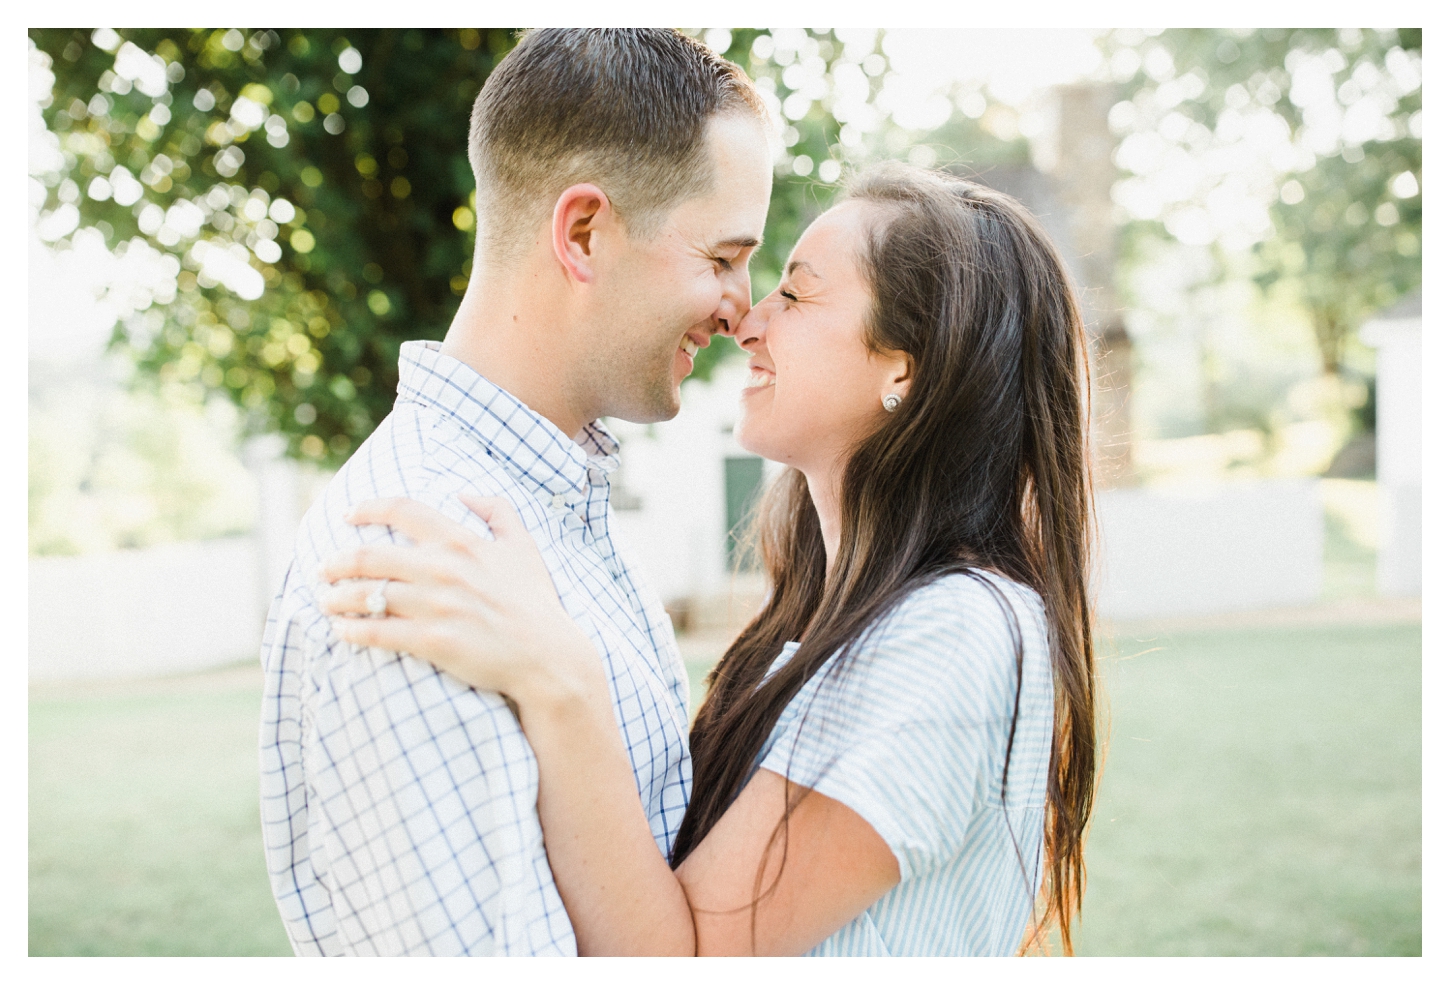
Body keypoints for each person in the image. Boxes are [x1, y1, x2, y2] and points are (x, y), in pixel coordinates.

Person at [317, 163, 1100, 956]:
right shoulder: (835, 621)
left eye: (794, 293)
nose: (748, 320)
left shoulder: (952, 630)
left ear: (904, 363)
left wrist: (560, 680)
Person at [258, 28, 772, 956]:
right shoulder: (419, 548)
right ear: (584, 232)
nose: (742, 305)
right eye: (722, 258)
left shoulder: (542, 507)